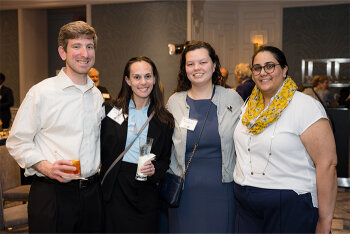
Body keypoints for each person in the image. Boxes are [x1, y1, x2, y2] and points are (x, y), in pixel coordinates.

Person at [6, 21, 104, 233]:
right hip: (53, 194)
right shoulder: (42, 92)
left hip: (91, 194)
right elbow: (16, 142)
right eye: (76, 46)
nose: (84, 53)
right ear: (63, 52)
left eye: (89, 46)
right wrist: (46, 167)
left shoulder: (96, 95)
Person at [233, 46, 337, 233]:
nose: (263, 72)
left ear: (284, 69)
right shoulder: (248, 106)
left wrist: (325, 220)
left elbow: (327, 164)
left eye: (270, 66)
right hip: (246, 203)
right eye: (257, 68)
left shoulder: (305, 106)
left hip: (289, 203)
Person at [166, 41, 243, 233]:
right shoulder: (175, 102)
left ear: (214, 64)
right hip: (184, 191)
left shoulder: (232, 99)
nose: (197, 68)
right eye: (190, 64)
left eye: (202, 62)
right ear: (184, 69)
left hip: (223, 190)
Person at [100, 56, 174, 233]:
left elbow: (165, 159)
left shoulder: (164, 119)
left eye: (148, 76)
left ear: (155, 79)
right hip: (115, 188)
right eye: (137, 77)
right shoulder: (111, 110)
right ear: (127, 80)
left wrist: (155, 169)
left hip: (145, 191)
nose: (143, 82)